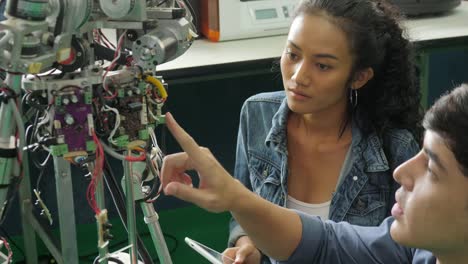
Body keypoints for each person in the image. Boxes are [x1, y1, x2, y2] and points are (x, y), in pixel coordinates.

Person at [160, 83, 468, 264]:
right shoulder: (416, 246)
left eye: (431, 166)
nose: (401, 172)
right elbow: (323, 242)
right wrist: (236, 197)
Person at [228, 0, 422, 262]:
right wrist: (247, 244)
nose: (298, 76)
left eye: (322, 66)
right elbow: (243, 209)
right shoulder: (256, 114)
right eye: (293, 55)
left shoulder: (395, 148)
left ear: (359, 77)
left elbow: (408, 250)